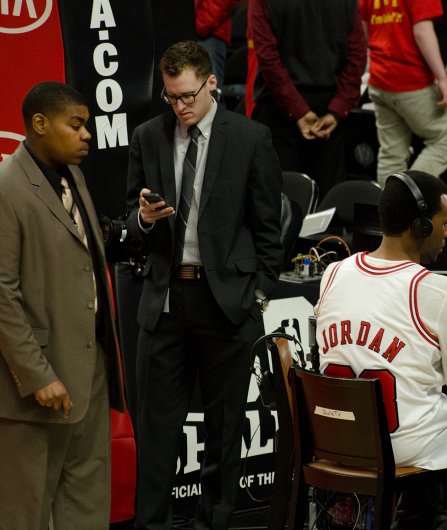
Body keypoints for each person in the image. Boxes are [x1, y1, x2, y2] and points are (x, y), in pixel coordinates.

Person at [126, 41, 283, 529]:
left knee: (224, 433)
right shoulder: (149, 137)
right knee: (155, 436)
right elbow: (129, 222)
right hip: (166, 300)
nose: (180, 107)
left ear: (211, 82)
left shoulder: (250, 138)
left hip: (228, 303)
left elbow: (267, 231)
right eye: (171, 98)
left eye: (188, 95)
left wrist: (257, 296)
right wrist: (144, 220)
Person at [314, 170, 447, 528]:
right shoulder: (439, 291)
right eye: (443, 223)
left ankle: (415, 517)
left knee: (431, 415)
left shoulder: (333, 273)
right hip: (401, 444)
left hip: (336, 437)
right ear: (421, 227)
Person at [0, 81, 125, 529]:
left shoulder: (73, 176)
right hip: (37, 384)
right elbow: (2, 293)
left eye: (86, 126)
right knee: (24, 513)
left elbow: (83, 258)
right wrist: (37, 374)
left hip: (89, 369)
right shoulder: (7, 187)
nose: (86, 135)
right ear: (39, 124)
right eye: (75, 125)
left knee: (86, 507)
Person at [249, 0, 367, 198]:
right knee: (327, 204)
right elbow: (357, 55)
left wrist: (300, 110)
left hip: (282, 105)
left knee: (284, 204)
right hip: (326, 110)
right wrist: (338, 108)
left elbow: (267, 56)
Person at [361, 0, 447, 185]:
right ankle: (407, 196)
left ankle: (390, 208)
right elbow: (422, 31)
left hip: (380, 78)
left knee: (391, 154)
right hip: (412, 80)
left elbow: (365, 28)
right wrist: (443, 78)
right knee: (444, 142)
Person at [195, 0, 239, 86]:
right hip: (197, 28)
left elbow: (220, 4)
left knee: (210, 91)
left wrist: (200, 23)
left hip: (210, 33)